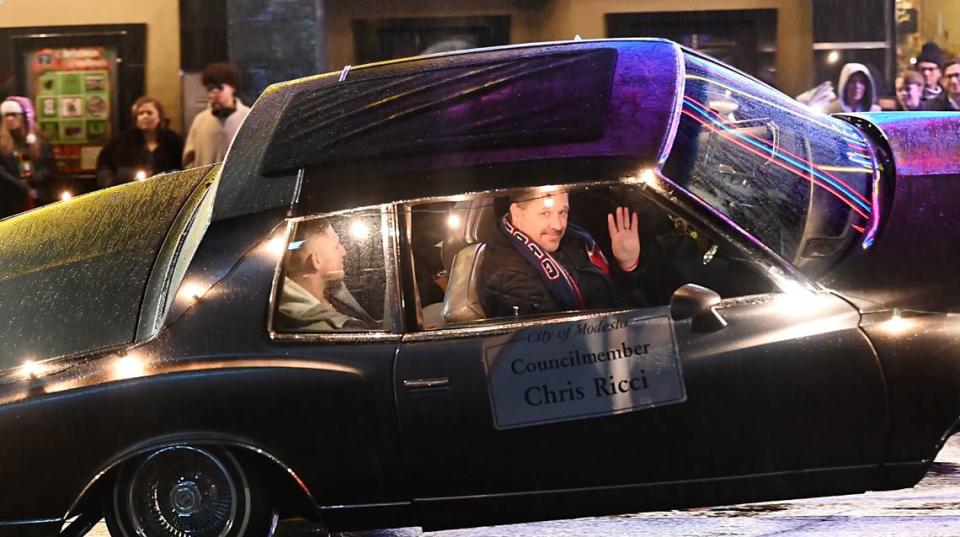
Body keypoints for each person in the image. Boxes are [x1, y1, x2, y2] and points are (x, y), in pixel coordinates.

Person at [478, 191, 643, 317]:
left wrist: (627, 263)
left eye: (562, 212)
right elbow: (565, 345)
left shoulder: (567, 239)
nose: (558, 225)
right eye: (545, 213)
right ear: (517, 213)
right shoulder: (508, 280)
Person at [276, 221, 378, 331]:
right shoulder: (320, 328)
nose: (344, 252)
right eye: (336, 246)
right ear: (316, 260)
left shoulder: (333, 293)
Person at [95, 96, 184, 188]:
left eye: (149, 113)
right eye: (140, 113)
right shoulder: (122, 141)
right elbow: (104, 165)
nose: (145, 116)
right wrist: (109, 183)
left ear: (159, 117)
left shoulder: (173, 141)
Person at [182, 63, 250, 169]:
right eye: (210, 88)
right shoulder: (200, 120)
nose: (214, 91)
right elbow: (189, 157)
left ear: (232, 87)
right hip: (207, 183)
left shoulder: (248, 117)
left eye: (219, 87)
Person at [0, 96, 53, 218]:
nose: (10, 119)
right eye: (6, 116)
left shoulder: (38, 143)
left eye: (14, 115)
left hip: (39, 198)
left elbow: (49, 166)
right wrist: (23, 187)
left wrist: (36, 177)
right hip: (11, 202)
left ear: (23, 117)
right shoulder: (2, 144)